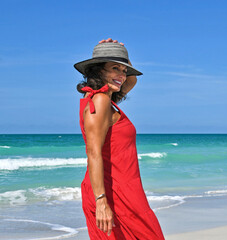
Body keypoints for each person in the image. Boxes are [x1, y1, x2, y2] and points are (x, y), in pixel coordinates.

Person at [74, 38, 165, 240]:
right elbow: (93, 152)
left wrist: (121, 55)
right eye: (115, 68)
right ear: (98, 71)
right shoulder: (100, 100)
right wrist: (100, 201)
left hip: (126, 190)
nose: (122, 76)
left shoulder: (108, 99)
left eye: (123, 70)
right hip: (111, 192)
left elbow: (132, 80)